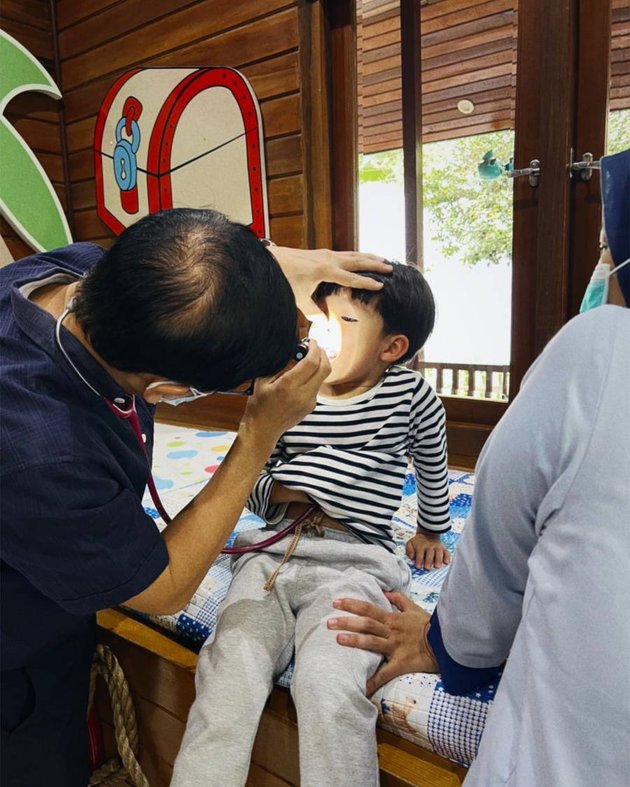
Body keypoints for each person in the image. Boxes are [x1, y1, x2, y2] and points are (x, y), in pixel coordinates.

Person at [0, 206, 392, 787]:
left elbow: (192, 264)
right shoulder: (44, 450)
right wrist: (259, 435)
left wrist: (273, 262)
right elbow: (164, 590)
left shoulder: (84, 275)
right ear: (168, 392)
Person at [329, 243, 630, 784]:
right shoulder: (301, 395)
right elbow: (264, 465)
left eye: (605, 252)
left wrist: (431, 532)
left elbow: (472, 500)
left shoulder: (602, 347)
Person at [171, 262, 451, 787]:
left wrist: (431, 530)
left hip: (354, 563)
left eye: (343, 319)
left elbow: (433, 467)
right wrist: (288, 483)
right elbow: (247, 479)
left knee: (330, 684)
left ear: (391, 348)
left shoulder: (412, 397)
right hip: (268, 561)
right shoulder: (286, 390)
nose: (320, 331)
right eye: (317, 317)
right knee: (227, 675)